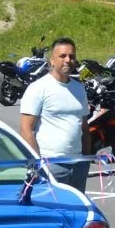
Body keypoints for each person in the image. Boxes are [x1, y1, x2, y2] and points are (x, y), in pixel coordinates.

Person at [18, 37, 90, 189]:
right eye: (62, 56)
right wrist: (39, 164)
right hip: (51, 165)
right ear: (52, 60)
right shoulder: (38, 88)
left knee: (77, 211)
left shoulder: (79, 89)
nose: (68, 60)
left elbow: (84, 127)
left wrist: (86, 160)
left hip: (77, 165)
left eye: (72, 56)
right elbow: (26, 129)